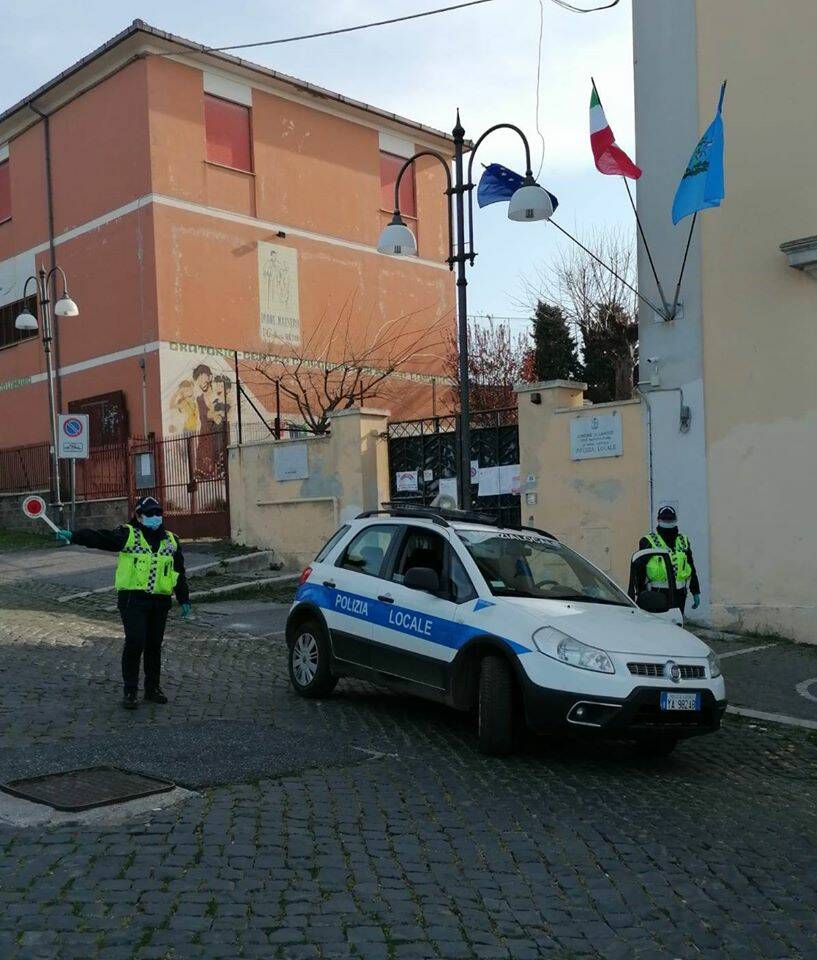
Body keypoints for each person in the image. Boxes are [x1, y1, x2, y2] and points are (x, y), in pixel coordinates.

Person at [55, 496, 191, 710]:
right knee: (136, 641)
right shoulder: (129, 534)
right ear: (138, 516)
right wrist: (75, 536)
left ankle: (152, 688)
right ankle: (130, 690)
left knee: (154, 645)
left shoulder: (171, 540)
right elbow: (102, 538)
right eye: (149, 514)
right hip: (133, 600)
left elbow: (178, 571)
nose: (155, 517)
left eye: (158, 513)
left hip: (160, 601)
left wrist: (183, 598)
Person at [634, 505, 700, 615]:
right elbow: (639, 571)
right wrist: (641, 594)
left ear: (675, 520)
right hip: (657, 594)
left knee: (677, 625)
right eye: (665, 519)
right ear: (658, 520)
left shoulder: (683, 540)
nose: (667, 522)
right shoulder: (648, 541)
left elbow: (691, 566)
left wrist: (695, 591)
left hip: (680, 594)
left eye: (670, 519)